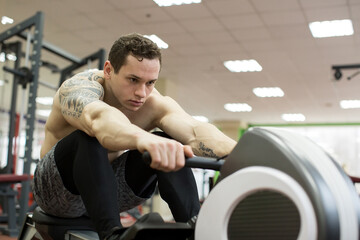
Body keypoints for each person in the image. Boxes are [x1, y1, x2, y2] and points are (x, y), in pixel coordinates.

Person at [32, 33, 237, 240]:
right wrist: (144, 139)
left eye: (150, 83)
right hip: (59, 193)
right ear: (109, 70)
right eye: (133, 80)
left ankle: (198, 229)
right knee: (88, 137)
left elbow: (194, 131)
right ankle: (112, 236)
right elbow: (100, 119)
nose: (142, 93)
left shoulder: (152, 103)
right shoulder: (80, 89)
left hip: (111, 191)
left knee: (169, 142)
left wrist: (244, 153)